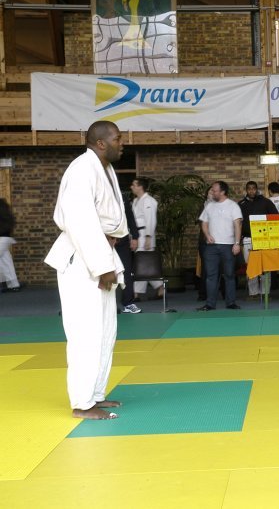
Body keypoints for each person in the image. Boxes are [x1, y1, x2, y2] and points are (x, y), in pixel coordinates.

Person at [44, 120, 128, 420]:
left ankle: (95, 394)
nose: (122, 143)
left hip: (99, 253)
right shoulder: (81, 169)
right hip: (82, 259)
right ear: (101, 143)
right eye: (118, 138)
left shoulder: (103, 168)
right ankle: (82, 403)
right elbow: (80, 221)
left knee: (105, 331)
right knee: (85, 332)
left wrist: (107, 260)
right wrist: (102, 266)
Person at [197, 180, 243, 311]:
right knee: (211, 276)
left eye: (214, 190)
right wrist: (207, 235)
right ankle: (210, 304)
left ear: (222, 192)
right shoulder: (209, 206)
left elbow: (237, 225)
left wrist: (237, 243)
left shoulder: (233, 206)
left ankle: (231, 303)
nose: (212, 192)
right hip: (211, 247)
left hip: (228, 246)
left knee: (229, 275)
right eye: (212, 190)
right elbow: (204, 223)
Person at [238, 181, 279, 299]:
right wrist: (238, 240)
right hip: (248, 239)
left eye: (253, 188)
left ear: (257, 189)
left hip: (264, 239)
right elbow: (237, 223)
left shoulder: (266, 202)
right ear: (246, 190)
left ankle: (265, 292)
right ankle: (253, 293)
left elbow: (275, 218)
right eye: (249, 188)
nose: (251, 191)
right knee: (251, 266)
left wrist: (274, 237)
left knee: (265, 266)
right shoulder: (241, 204)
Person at [131, 176, 164, 301]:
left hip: (145, 234)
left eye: (134, 185)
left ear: (140, 187)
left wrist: (149, 237)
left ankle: (136, 293)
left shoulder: (149, 201)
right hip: (137, 234)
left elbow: (151, 219)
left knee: (142, 264)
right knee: (145, 264)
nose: (131, 187)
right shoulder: (135, 201)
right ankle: (160, 287)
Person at [115, 195, 141, 313]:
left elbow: (130, 217)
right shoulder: (98, 194)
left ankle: (128, 303)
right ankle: (107, 305)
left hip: (122, 240)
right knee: (105, 271)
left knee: (126, 271)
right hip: (104, 240)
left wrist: (135, 236)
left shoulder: (122, 197)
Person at [0, 198, 21, 293]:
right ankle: (13, 284)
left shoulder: (3, 216)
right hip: (6, 239)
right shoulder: (7, 215)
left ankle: (12, 284)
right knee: (6, 262)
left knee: (5, 262)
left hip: (1, 239)